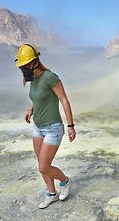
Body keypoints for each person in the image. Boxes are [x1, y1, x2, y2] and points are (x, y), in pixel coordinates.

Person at [15, 44, 76, 209]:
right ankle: (52, 194)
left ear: (35, 62)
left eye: (25, 66)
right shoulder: (32, 80)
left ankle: (65, 181)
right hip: (38, 127)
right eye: (21, 67)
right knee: (41, 165)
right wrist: (31, 109)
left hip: (53, 128)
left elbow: (64, 100)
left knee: (44, 167)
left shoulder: (50, 77)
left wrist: (70, 126)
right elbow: (38, 97)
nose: (23, 69)